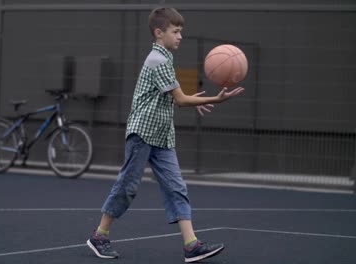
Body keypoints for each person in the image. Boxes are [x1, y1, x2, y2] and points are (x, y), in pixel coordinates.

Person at [86, 7, 245, 263]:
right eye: (176, 31)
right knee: (128, 186)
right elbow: (180, 100)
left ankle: (191, 245)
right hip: (142, 134)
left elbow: (176, 97)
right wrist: (217, 98)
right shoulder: (157, 60)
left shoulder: (167, 58)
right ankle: (99, 235)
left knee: (176, 187)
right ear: (159, 33)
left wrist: (195, 100)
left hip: (162, 136)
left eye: (181, 31)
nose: (180, 36)